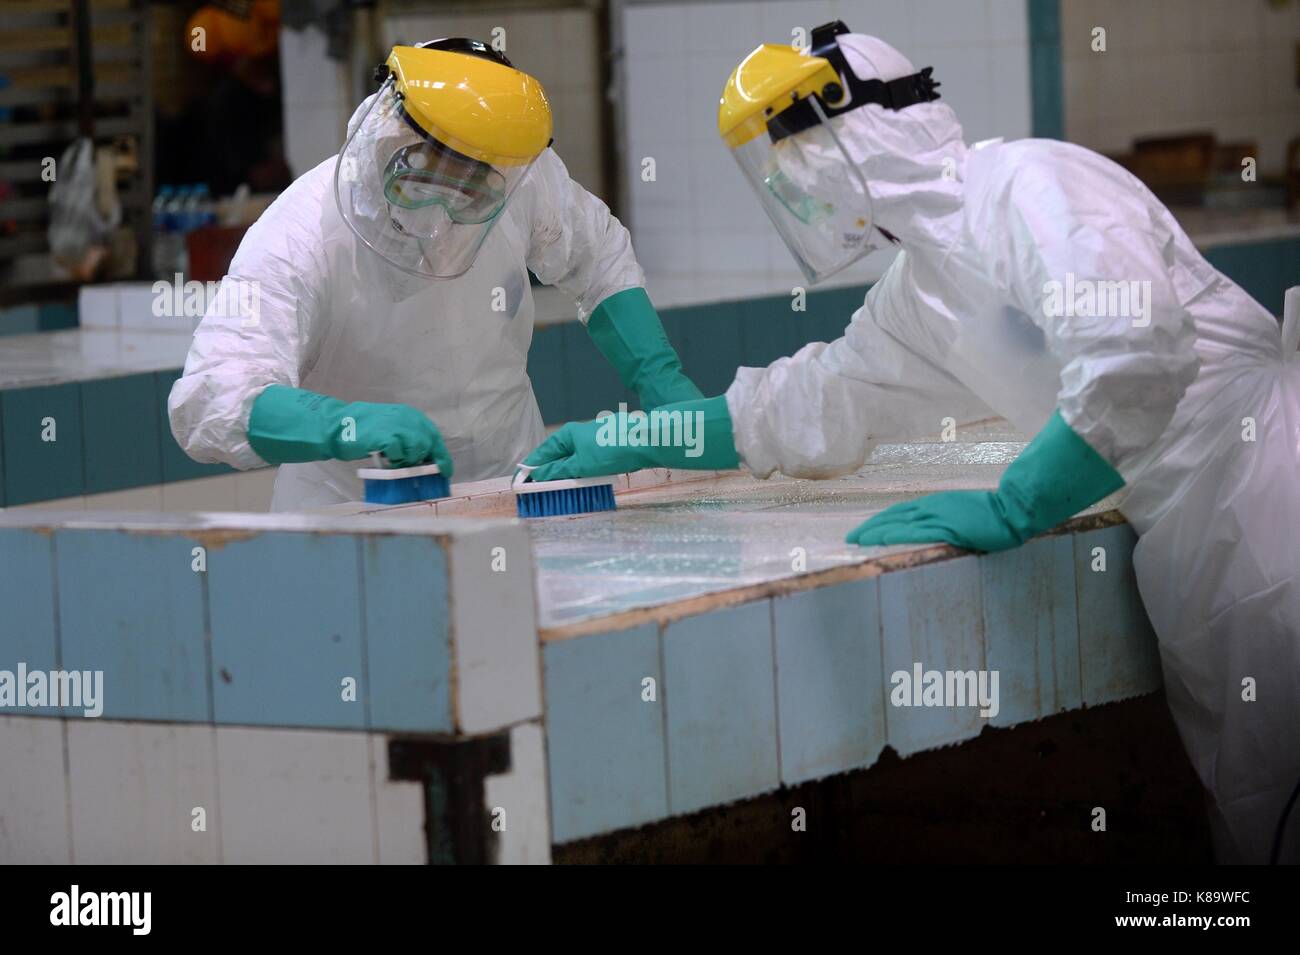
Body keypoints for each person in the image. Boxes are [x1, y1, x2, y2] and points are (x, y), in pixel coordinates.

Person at [523, 23, 1300, 863]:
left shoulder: (1029, 185)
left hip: (1267, 490)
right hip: (1187, 540)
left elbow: (1136, 353)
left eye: (794, 164)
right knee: (1257, 806)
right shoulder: (923, 289)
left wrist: (1019, 502)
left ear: (850, 134)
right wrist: (644, 435)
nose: (791, 191)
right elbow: (811, 402)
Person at [169, 38, 700, 509]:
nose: (444, 214)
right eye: (430, 175)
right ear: (389, 138)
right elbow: (211, 397)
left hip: (512, 488)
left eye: (473, 188)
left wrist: (658, 377)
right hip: (351, 508)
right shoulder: (300, 232)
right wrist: (342, 424)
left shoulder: (519, 170)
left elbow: (598, 256)